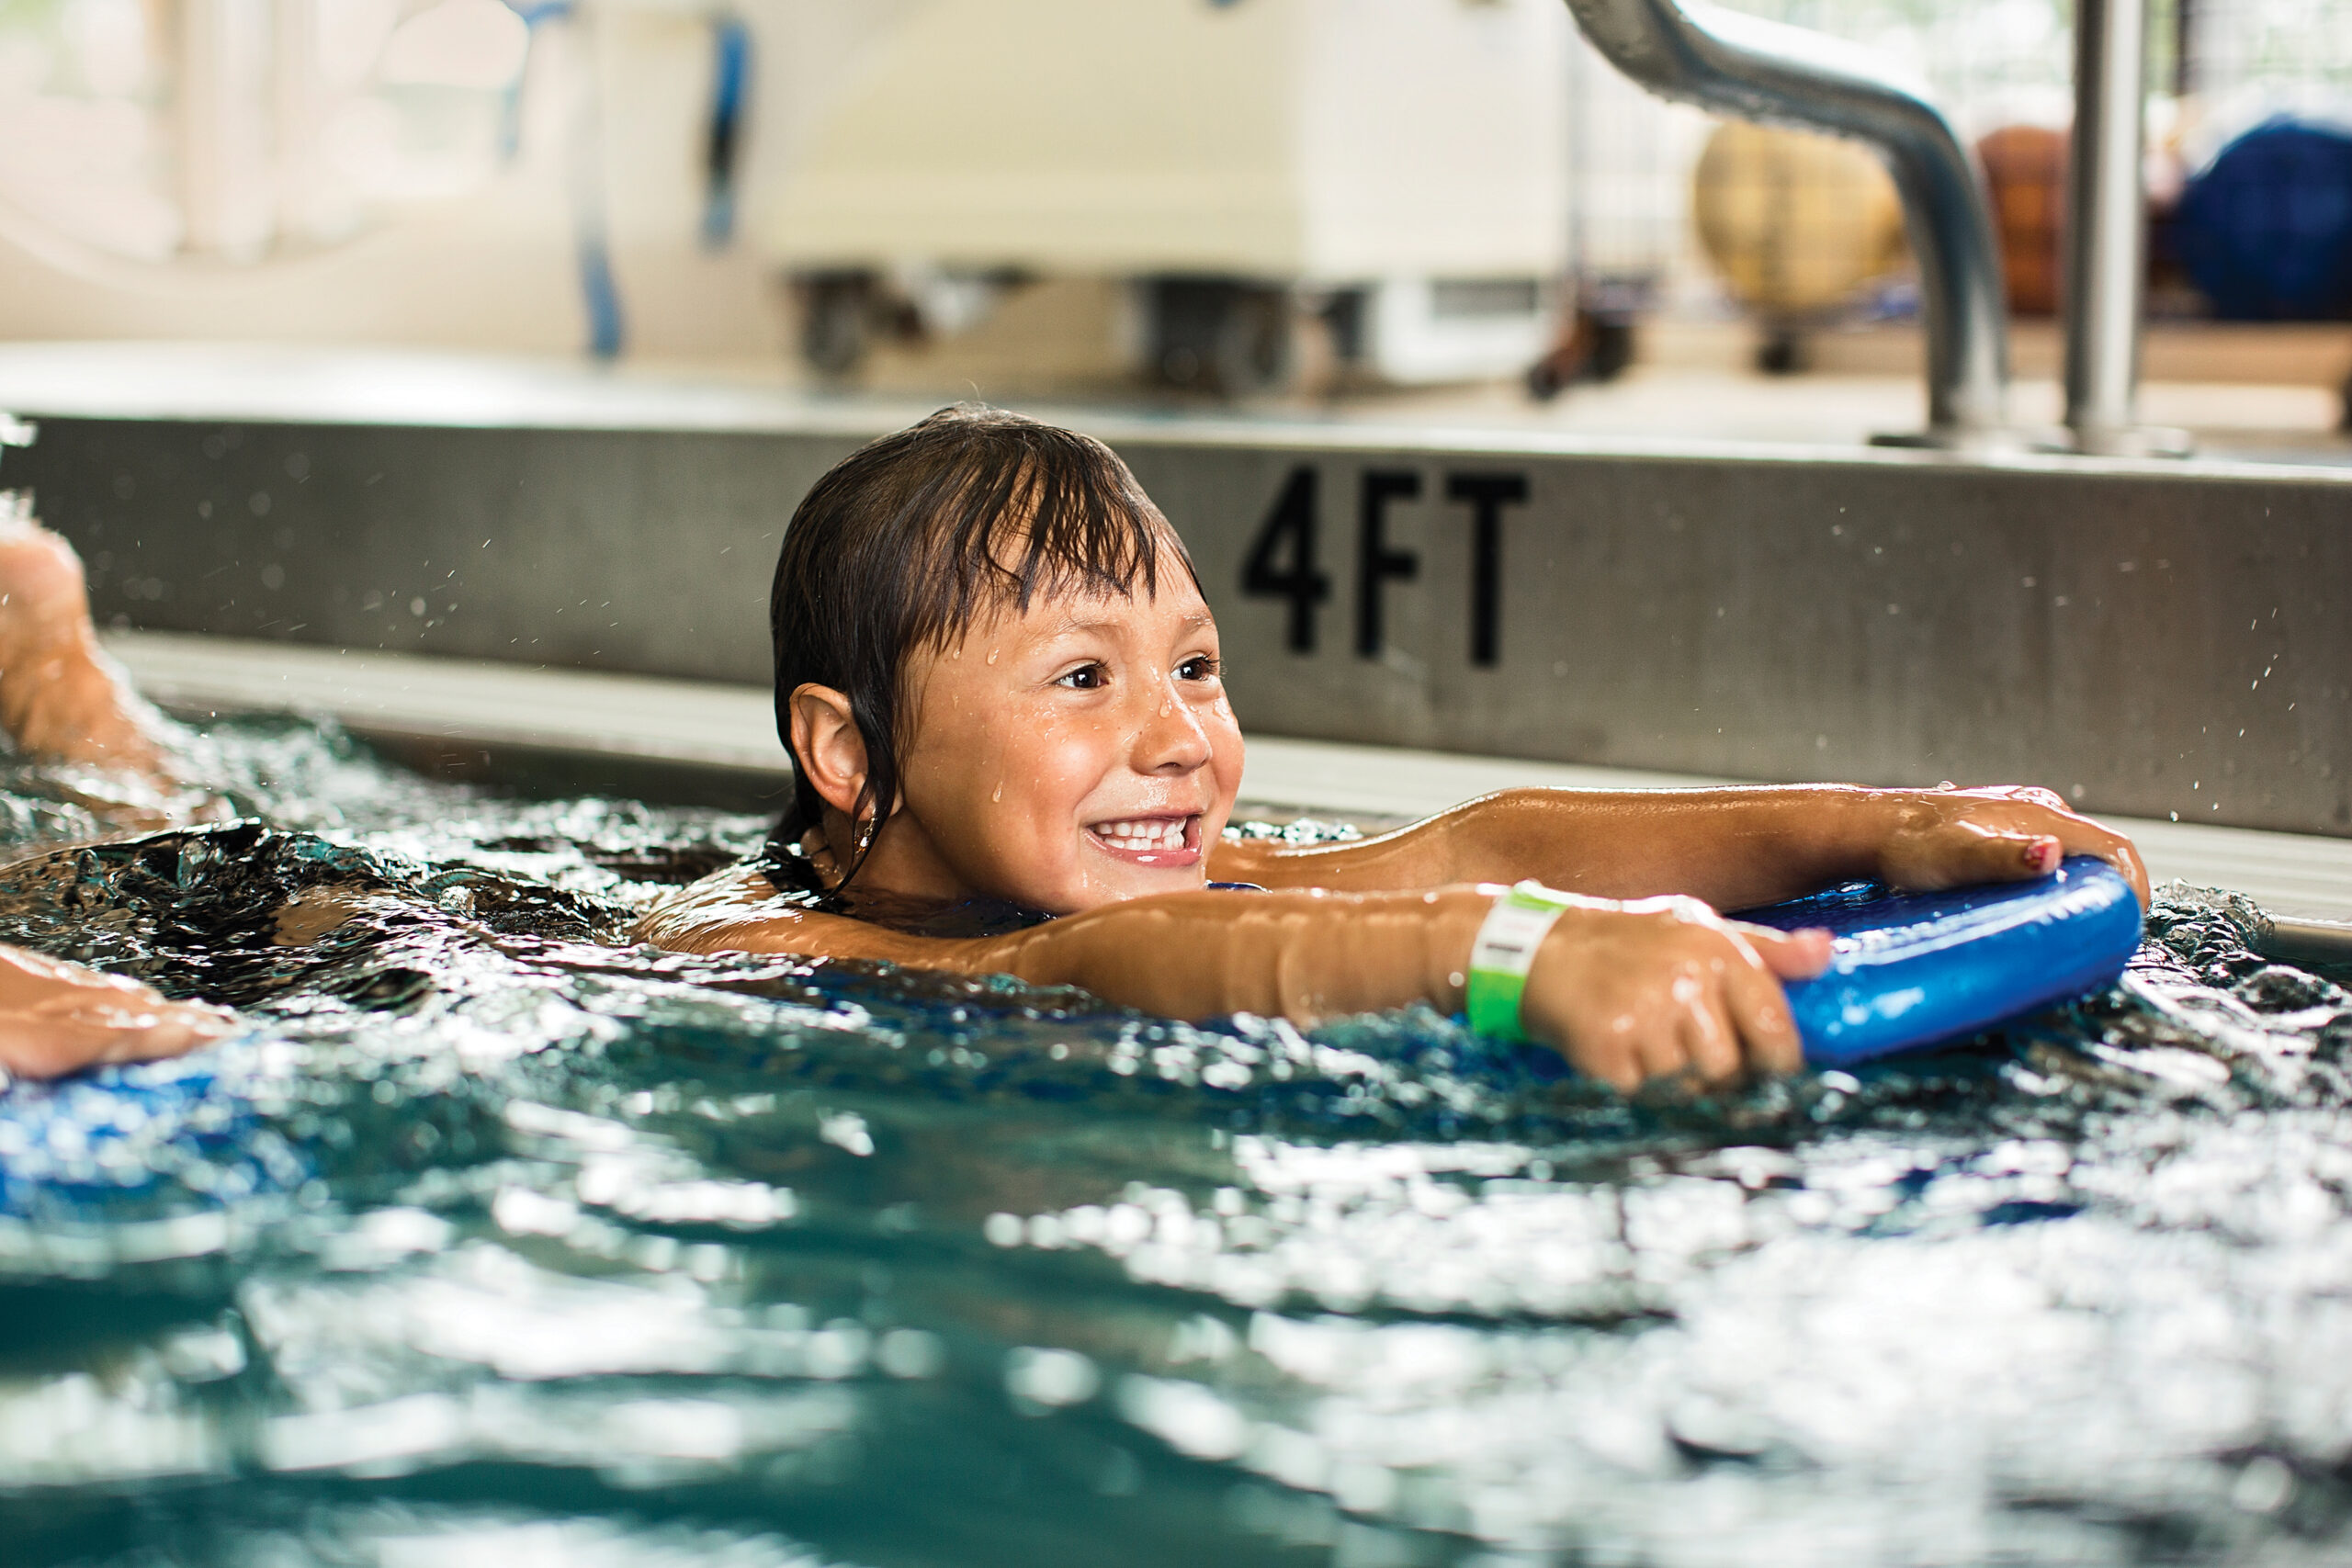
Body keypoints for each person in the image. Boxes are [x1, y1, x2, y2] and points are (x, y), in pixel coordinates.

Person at [0, 409, 2147, 1089]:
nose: (1179, 735)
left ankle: (80, 695)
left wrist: (1883, 821)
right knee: (190, 881)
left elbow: (1478, 818)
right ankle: (81, 715)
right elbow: (1142, 973)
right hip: (385, 944)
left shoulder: (1124, 850)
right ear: (849, 757)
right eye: (1081, 678)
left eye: (1193, 665)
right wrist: (1520, 957)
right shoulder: (914, 949)